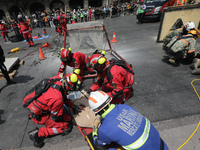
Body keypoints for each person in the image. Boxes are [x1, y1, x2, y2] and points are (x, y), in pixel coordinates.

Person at [88, 90, 169, 150]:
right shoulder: (125, 107)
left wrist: (95, 130)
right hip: (161, 145)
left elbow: (99, 145)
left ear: (96, 111)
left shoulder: (104, 129)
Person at [24, 73, 83, 148]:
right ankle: (37, 134)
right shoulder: (57, 98)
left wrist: (73, 106)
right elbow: (56, 118)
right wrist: (69, 120)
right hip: (41, 116)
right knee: (66, 126)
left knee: (63, 111)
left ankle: (34, 114)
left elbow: (64, 98)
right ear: (70, 87)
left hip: (39, 106)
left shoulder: (57, 80)